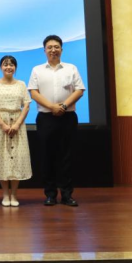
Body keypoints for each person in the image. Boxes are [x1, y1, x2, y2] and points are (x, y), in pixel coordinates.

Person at [28, 35, 85, 207]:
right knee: (47, 157)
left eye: (56, 47)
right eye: (50, 47)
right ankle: (50, 195)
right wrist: (52, 107)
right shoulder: (37, 70)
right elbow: (34, 93)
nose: (53, 50)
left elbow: (79, 90)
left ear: (61, 49)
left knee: (67, 156)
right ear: (44, 50)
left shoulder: (71, 68)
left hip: (68, 117)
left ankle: (67, 195)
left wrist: (63, 106)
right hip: (46, 118)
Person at [0, 55, 32, 207]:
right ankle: (5, 194)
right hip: (0, 124)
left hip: (18, 124)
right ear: (1, 67)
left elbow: (26, 105)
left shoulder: (21, 84)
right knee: (3, 159)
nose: (8, 67)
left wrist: (17, 124)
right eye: (5, 64)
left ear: (15, 67)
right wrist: (2, 124)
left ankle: (14, 195)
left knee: (17, 159)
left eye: (11, 64)